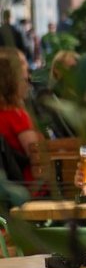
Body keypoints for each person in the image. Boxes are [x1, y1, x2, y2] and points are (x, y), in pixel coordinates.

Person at [0, 50, 39, 182]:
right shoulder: (17, 116)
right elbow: (36, 154)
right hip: (31, 187)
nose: (28, 83)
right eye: (24, 79)